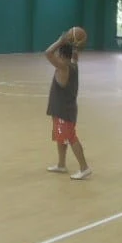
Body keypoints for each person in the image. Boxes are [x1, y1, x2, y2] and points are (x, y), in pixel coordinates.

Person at [45, 29, 91, 180]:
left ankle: (84, 168)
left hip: (64, 110)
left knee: (71, 137)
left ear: (60, 55)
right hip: (63, 109)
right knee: (61, 137)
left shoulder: (63, 67)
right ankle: (61, 164)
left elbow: (47, 53)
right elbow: (75, 55)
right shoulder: (73, 64)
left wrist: (60, 41)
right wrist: (75, 45)